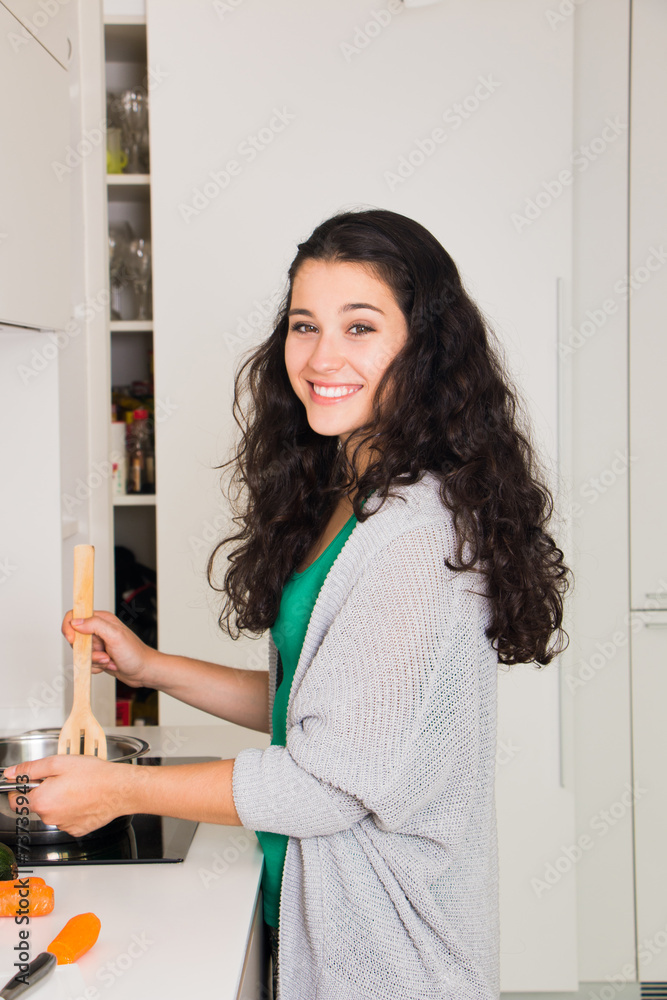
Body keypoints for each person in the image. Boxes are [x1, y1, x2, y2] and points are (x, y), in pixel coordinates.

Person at [7, 209, 571, 1000]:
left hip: (391, 957)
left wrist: (121, 790)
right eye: (304, 326)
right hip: (339, 927)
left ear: (427, 349)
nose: (321, 357)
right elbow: (325, 714)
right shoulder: (357, 492)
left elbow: (323, 783)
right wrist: (151, 667)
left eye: (360, 326)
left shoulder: (413, 536)